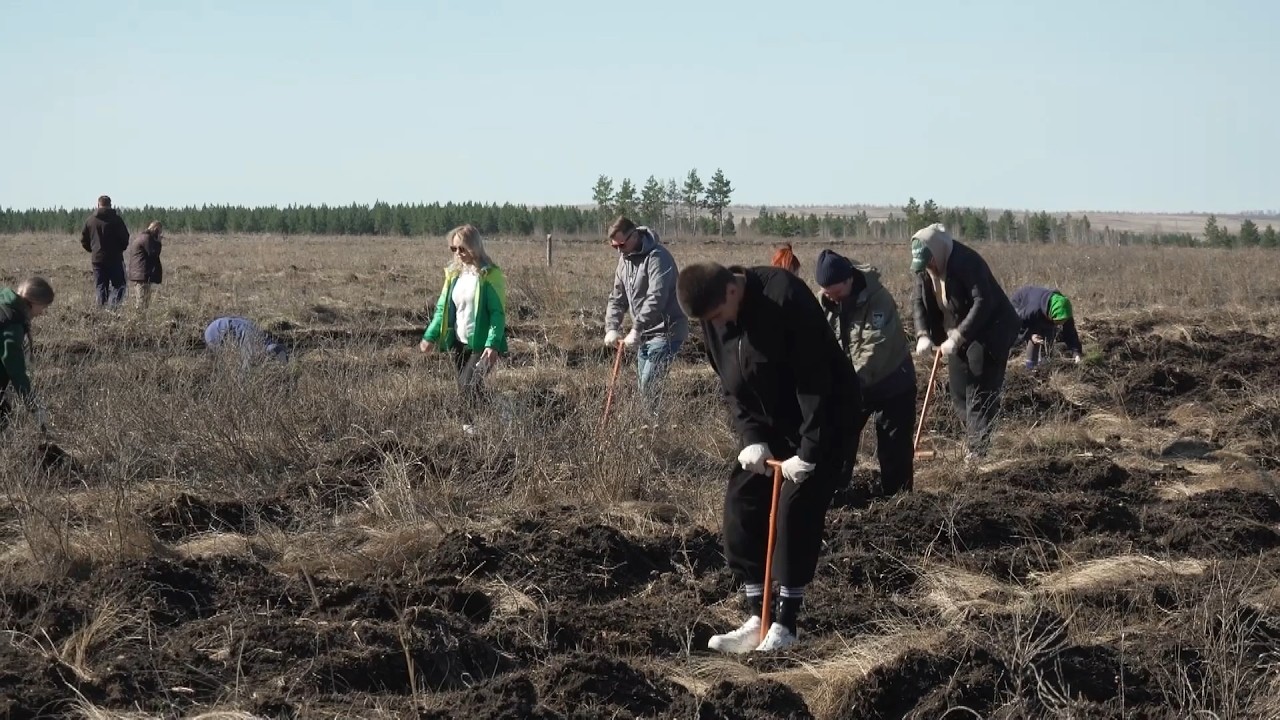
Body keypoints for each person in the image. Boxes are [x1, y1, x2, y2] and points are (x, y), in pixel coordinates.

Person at [677, 262, 861, 653]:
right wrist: (752, 437)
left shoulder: (785, 298)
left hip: (824, 421)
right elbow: (731, 387)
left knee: (795, 512)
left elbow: (816, 381)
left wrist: (809, 453)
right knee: (741, 506)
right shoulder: (714, 317)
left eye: (717, 316)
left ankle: (786, 625)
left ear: (731, 291)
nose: (717, 325)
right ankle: (757, 617)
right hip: (770, 428)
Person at [910, 223, 1019, 464]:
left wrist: (959, 336)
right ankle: (973, 439)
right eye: (924, 265)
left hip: (990, 329)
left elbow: (983, 302)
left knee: (978, 388)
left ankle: (978, 452)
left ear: (937, 253)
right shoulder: (923, 265)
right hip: (955, 331)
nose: (929, 268)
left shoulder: (967, 262)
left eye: (931, 263)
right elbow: (918, 300)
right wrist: (923, 334)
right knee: (959, 391)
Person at [814, 249, 917, 496]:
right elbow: (818, 340)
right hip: (852, 384)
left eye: (838, 293)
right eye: (828, 293)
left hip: (892, 382)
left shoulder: (878, 299)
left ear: (850, 279)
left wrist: (846, 384)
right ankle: (835, 493)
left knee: (894, 447)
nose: (834, 299)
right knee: (838, 437)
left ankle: (898, 500)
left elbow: (875, 348)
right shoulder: (826, 300)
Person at [420, 224, 507, 433]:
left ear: (475, 247)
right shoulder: (453, 276)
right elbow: (442, 308)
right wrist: (430, 336)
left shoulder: (490, 275)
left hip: (482, 345)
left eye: (462, 248)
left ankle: (496, 418)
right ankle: (478, 428)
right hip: (459, 342)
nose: (458, 253)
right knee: (466, 387)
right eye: (454, 249)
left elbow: (497, 313)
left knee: (468, 383)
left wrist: (493, 344)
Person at [602, 216, 688, 417]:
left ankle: (656, 434)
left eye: (621, 245)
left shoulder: (658, 257)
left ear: (634, 235)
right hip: (643, 336)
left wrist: (637, 327)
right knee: (645, 389)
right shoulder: (624, 261)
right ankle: (652, 430)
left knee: (649, 385)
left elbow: (656, 297)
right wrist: (612, 327)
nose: (618, 250)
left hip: (667, 331)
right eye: (614, 247)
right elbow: (617, 297)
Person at [1, 278, 55, 433]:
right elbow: (15, 370)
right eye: (44, 306)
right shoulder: (12, 324)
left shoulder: (5, 301)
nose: (42, 312)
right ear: (34, 302)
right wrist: (33, 405)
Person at [1010, 285, 1083, 368]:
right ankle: (1030, 367)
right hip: (1020, 304)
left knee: (1049, 330)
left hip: (1041, 308)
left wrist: (1076, 353)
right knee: (1035, 334)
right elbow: (1015, 322)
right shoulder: (1032, 312)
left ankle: (1045, 363)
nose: (1059, 324)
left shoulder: (1063, 310)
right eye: (1058, 322)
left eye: (1061, 322)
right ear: (1051, 314)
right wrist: (1030, 335)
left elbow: (1070, 333)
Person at [81, 195, 130, 307]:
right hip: (115, 258)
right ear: (110, 205)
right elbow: (125, 238)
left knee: (101, 286)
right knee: (119, 285)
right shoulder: (117, 220)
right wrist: (119, 250)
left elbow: (84, 240)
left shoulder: (90, 221)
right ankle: (112, 307)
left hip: (97, 259)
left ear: (98, 205)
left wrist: (93, 250)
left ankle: (101, 310)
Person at [204, 316, 289, 365]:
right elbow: (245, 371)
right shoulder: (254, 345)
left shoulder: (262, 339)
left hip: (221, 325)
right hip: (216, 331)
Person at [127, 221, 164, 310]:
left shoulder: (143, 237)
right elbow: (153, 254)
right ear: (155, 230)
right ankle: (139, 320)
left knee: (144, 301)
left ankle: (141, 319)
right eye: (159, 232)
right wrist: (158, 242)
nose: (159, 234)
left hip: (141, 273)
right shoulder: (147, 239)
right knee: (142, 302)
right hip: (141, 274)